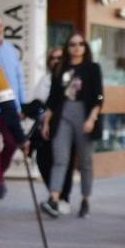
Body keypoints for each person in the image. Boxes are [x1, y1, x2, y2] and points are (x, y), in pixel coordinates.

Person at [39, 31, 103, 218]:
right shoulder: (61, 67)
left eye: (80, 44)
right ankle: (54, 198)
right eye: (73, 45)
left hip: (84, 114)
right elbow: (53, 98)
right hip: (63, 114)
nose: (77, 48)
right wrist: (46, 122)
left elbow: (99, 96)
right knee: (60, 158)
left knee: (85, 162)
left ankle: (85, 199)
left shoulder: (92, 68)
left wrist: (92, 118)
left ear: (85, 47)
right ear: (68, 48)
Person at [24, 47, 72, 206]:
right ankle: (54, 194)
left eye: (59, 57)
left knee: (63, 161)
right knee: (43, 160)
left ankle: (61, 197)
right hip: (46, 127)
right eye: (53, 58)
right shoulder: (45, 80)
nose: (56, 61)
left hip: (64, 125)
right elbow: (37, 102)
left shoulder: (70, 78)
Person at [0, 12, 26, 199]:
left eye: (0, 25)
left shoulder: (10, 50)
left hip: (7, 106)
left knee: (12, 142)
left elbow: (18, 78)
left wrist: (21, 104)